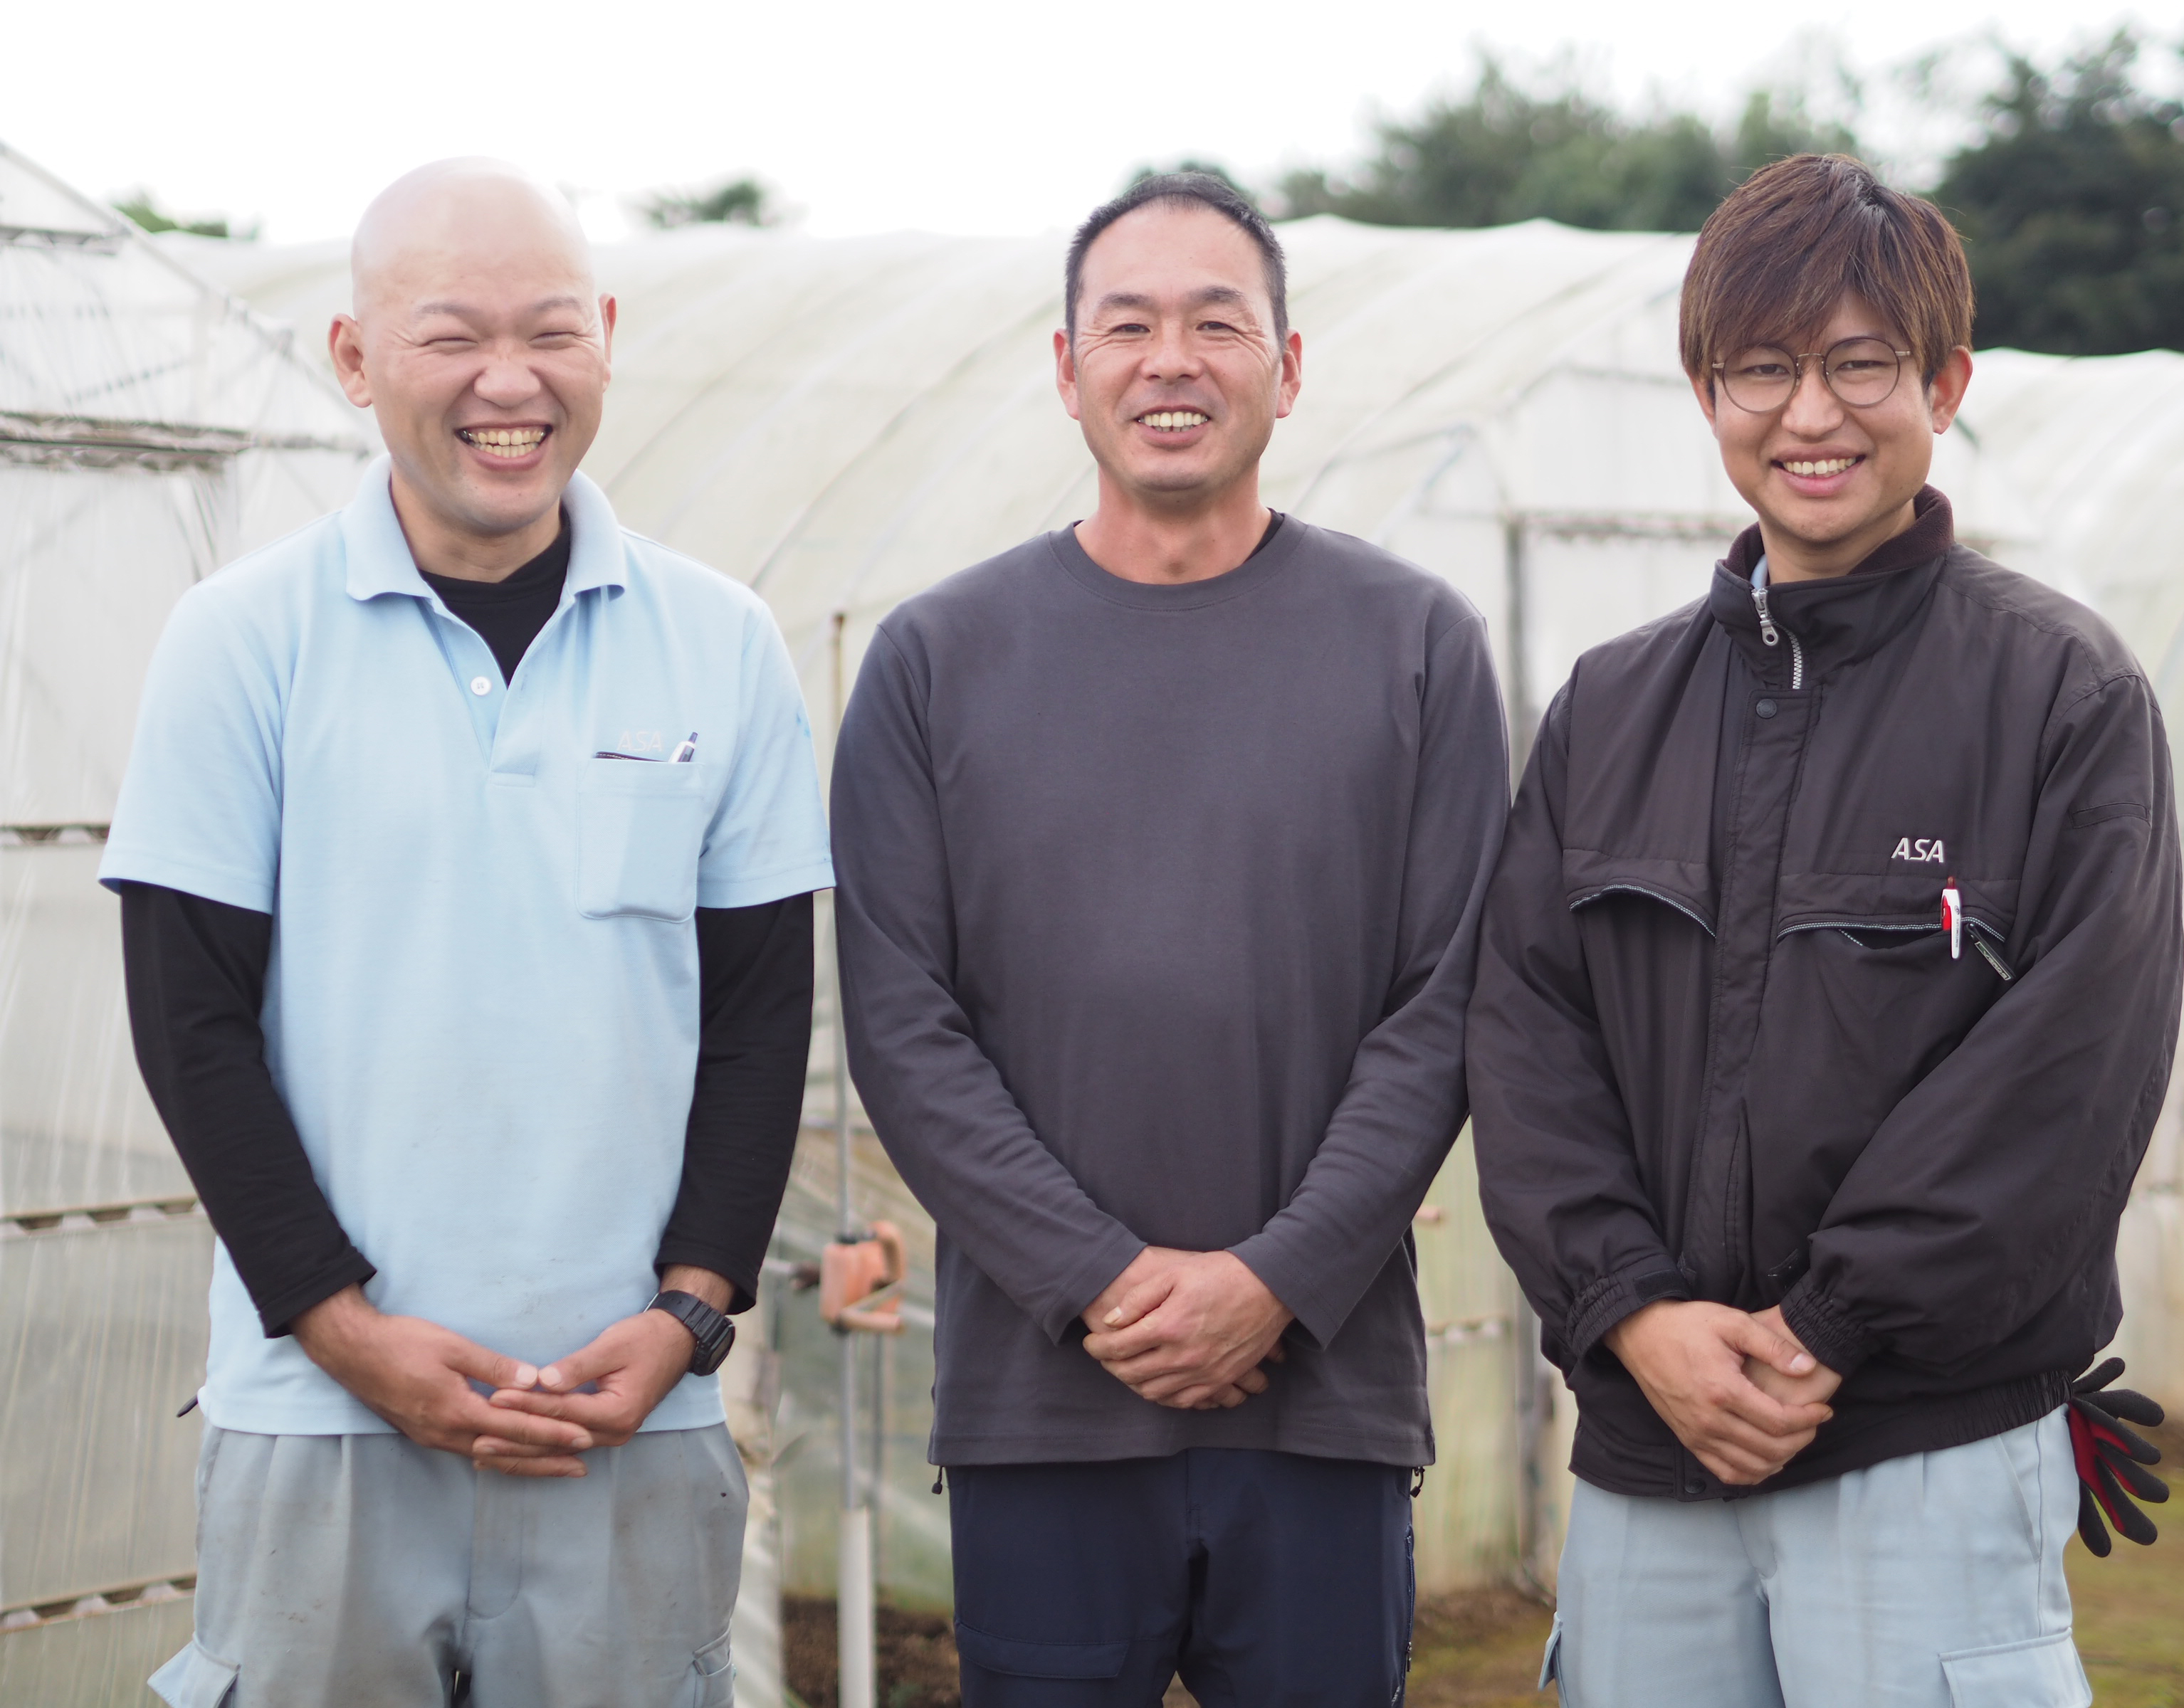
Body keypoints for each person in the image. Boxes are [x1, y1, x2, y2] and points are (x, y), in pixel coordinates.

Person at [103, 159, 833, 1708]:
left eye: (552, 332)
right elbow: (192, 1021)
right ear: (355, 356)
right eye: (452, 337)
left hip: (628, 1418)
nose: (512, 383)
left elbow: (763, 1015)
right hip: (322, 1423)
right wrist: (345, 1328)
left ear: (610, 338)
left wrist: (691, 1315)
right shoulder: (242, 640)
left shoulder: (719, 641)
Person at [1467, 152, 2184, 1706]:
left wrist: (1824, 1329)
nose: (1810, 415)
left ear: (1945, 383)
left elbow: (2065, 1075)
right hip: (1651, 1452)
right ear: (1705, 392)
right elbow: (1525, 1039)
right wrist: (1635, 1315)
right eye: (1763, 369)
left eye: (1862, 365)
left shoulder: (2060, 696)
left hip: (1920, 1440)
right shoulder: (1609, 710)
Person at [829, 172, 1510, 1704]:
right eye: (1126, 325)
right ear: (1066, 369)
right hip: (1043, 1403)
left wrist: (1273, 1278)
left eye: (1218, 322)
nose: (1171, 360)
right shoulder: (938, 661)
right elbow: (903, 1021)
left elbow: (1444, 1002)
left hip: (1319, 1402)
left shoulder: (1414, 647)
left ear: (1287, 363)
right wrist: (1097, 1279)